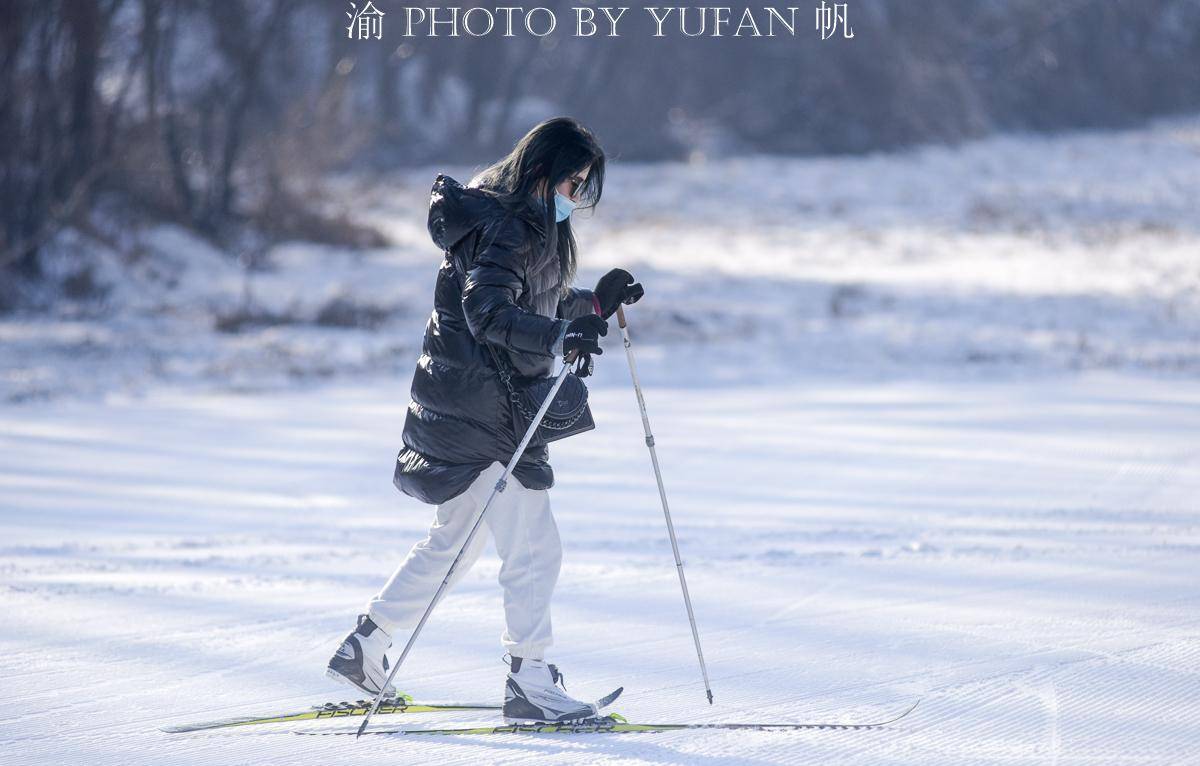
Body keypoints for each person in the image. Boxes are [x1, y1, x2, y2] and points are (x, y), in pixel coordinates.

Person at [326, 117, 644, 723]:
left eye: (584, 187)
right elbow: (489, 313)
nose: (575, 197)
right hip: (487, 413)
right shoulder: (506, 227)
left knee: (457, 542)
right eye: (572, 183)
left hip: (474, 408)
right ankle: (529, 680)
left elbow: (531, 304)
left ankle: (364, 646)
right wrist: (559, 334)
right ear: (541, 173)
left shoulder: (515, 223)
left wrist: (593, 306)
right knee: (532, 547)